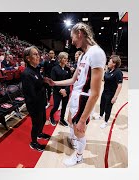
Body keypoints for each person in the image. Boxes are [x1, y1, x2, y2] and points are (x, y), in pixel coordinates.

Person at [45, 22, 106, 166]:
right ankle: (76, 142)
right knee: (70, 121)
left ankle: (79, 157)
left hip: (84, 98)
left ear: (80, 33)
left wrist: (83, 119)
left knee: (79, 128)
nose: (71, 41)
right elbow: (73, 80)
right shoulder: (82, 56)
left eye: (72, 37)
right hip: (76, 95)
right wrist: (55, 83)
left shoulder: (96, 53)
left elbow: (96, 93)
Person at [21, 46, 51, 152]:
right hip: (34, 104)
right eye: (35, 54)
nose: (38, 56)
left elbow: (39, 84)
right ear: (28, 58)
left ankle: (39, 133)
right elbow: (31, 94)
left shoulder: (36, 70)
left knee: (42, 120)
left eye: (38, 54)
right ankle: (33, 142)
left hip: (41, 102)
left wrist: (45, 82)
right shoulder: (26, 73)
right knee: (36, 123)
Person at [94, 55, 123, 129]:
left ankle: (106, 121)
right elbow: (104, 79)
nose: (108, 62)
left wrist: (115, 97)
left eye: (110, 61)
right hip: (105, 91)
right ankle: (100, 116)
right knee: (102, 104)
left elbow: (119, 85)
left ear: (114, 63)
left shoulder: (118, 72)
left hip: (111, 94)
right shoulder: (108, 70)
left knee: (108, 108)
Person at [49, 52, 71, 127]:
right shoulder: (54, 69)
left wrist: (65, 90)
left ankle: (62, 119)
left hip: (66, 91)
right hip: (57, 91)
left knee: (64, 106)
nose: (66, 59)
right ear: (60, 59)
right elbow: (53, 82)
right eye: (65, 58)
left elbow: (69, 81)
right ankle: (51, 116)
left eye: (67, 58)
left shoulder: (68, 69)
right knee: (56, 106)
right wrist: (61, 90)